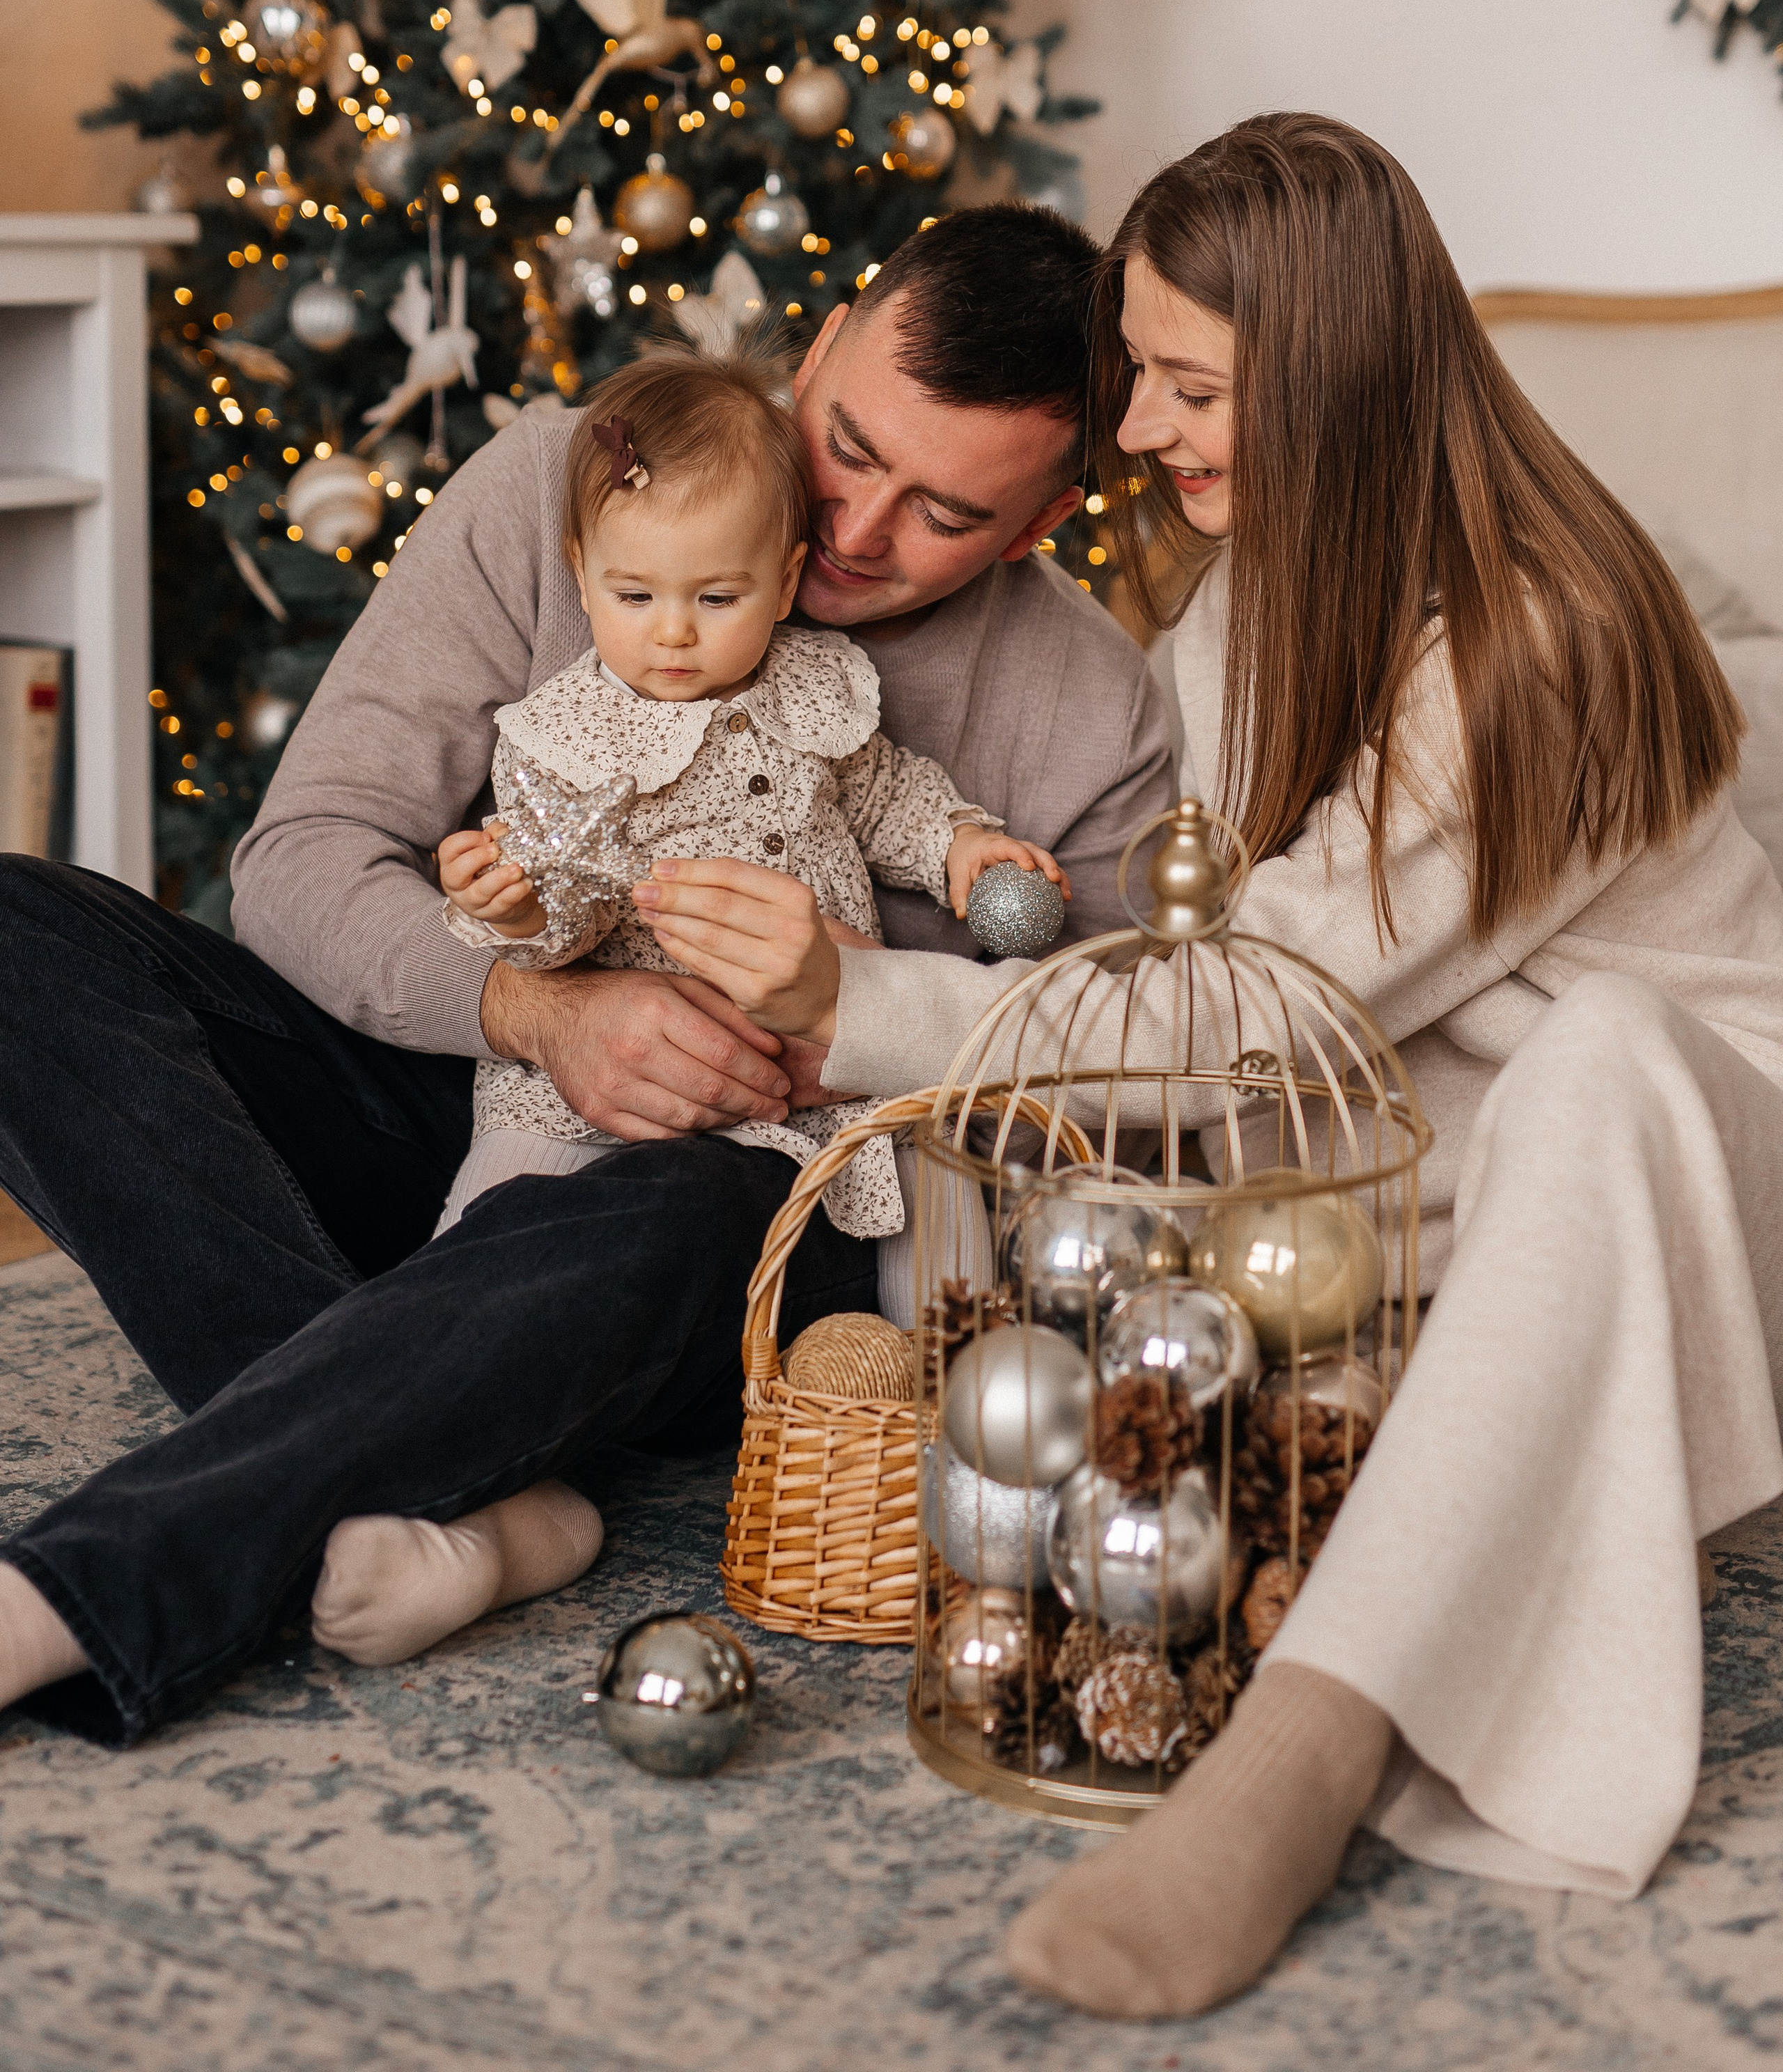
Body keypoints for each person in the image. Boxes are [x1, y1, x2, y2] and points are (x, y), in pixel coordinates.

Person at [623, 115, 1783, 2019]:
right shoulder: (1250, 593)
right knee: (1120, 1328)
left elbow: (1257, 1004)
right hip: (1425, 1159)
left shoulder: (1540, 645)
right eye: (1139, 373)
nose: (1138, 426)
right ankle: (1448, 1502)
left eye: (1186, 384)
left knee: (1601, 1054)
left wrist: (860, 1004)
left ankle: (1301, 1764)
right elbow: (1198, 975)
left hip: (1697, 1171)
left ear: (1328, 375)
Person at [0, 203, 1171, 1733]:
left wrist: (851, 1023)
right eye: (846, 446)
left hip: (757, 1206)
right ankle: (485, 1467)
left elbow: (1112, 1086)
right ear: (819, 347)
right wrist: (536, 1008)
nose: (854, 529)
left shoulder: (1092, 708)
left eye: (945, 514)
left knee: (678, 1198)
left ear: (1038, 523)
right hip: (481, 1113)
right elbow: (299, 863)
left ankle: (75, 1595)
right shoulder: (567, 482)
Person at [433, 341, 1066, 1238]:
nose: (674, 633)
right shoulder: (560, 736)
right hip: (609, 1085)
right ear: (582, 573)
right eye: (635, 596)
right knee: (497, 1215)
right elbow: (565, 918)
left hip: (825, 1066)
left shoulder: (812, 691)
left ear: (783, 582)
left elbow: (884, 796)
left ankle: (946, 1322)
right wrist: (520, 912)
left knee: (935, 1192)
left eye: (718, 599)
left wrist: (957, 844)